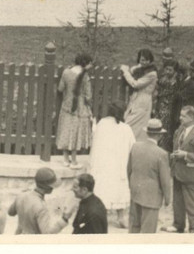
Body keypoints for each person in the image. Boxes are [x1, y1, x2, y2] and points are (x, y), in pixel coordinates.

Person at [88, 101, 136, 229]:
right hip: (118, 166)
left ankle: (101, 217)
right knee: (119, 190)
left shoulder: (101, 125)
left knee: (103, 189)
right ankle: (121, 217)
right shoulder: (126, 129)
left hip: (103, 166)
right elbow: (133, 147)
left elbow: (94, 141)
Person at [165, 105, 194, 234]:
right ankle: (178, 225)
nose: (180, 118)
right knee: (177, 201)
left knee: (192, 204)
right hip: (177, 171)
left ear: (191, 117)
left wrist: (185, 155)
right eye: (180, 115)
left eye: (183, 116)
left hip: (191, 175)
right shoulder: (180, 130)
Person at [127, 118, 172, 233]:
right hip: (151, 197)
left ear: (147, 132)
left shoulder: (135, 147)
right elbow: (165, 181)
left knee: (134, 227)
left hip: (135, 192)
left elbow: (129, 170)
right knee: (148, 232)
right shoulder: (161, 154)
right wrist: (167, 199)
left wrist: (132, 186)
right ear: (160, 135)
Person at [57, 52, 94, 167]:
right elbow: (88, 96)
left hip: (67, 106)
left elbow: (60, 88)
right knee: (76, 133)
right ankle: (74, 161)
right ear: (86, 64)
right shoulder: (85, 76)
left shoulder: (66, 72)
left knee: (66, 131)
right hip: (80, 109)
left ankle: (65, 159)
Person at [8, 167, 65, 234]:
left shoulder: (21, 195)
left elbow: (10, 213)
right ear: (48, 187)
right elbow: (47, 233)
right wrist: (63, 221)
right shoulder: (41, 207)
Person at [121, 49, 158, 140]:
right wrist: (135, 67)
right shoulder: (142, 69)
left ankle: (135, 145)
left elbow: (136, 84)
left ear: (150, 60)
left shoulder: (152, 73)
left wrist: (126, 72)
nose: (144, 62)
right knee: (130, 122)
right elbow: (134, 69)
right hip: (136, 99)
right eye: (142, 60)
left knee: (134, 124)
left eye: (147, 60)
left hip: (143, 100)